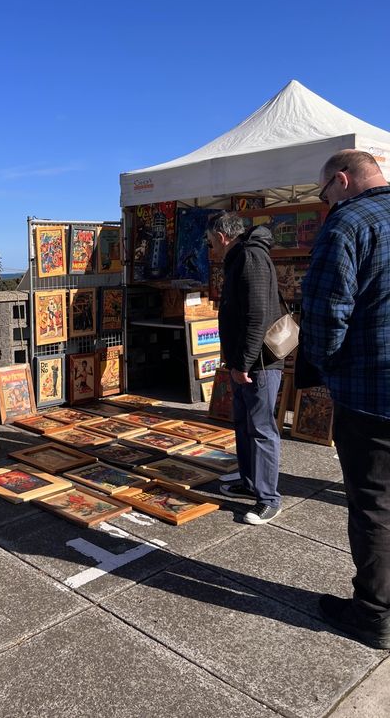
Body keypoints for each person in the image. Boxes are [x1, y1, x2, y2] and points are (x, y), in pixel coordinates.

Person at [301, 149, 390, 649]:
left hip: (372, 390)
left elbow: (325, 314)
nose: (325, 202)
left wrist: (328, 367)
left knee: (374, 504)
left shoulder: (348, 223)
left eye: (323, 193)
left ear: (341, 179)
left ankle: (374, 613)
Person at [206, 212, 284, 525]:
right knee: (244, 424)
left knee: (261, 428)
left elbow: (257, 317)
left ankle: (268, 499)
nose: (210, 246)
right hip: (247, 361)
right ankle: (250, 482)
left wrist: (242, 364)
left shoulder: (250, 257)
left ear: (222, 235)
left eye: (210, 240)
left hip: (259, 364)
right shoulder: (241, 256)